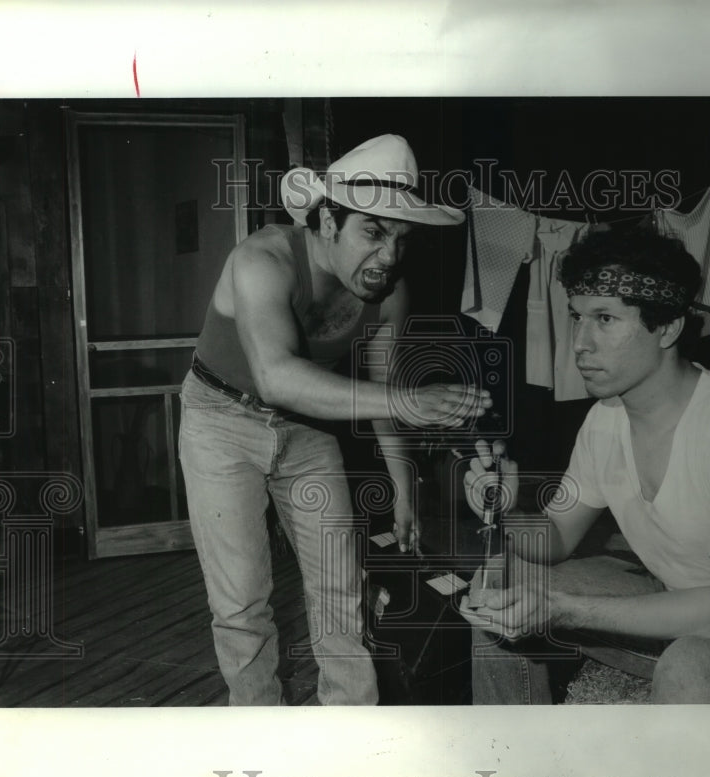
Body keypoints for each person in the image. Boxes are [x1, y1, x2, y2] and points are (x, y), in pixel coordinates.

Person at [460, 228, 710, 704]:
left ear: (667, 328)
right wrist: (503, 511)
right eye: (577, 316)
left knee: (692, 667)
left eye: (605, 319)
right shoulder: (604, 420)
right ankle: (511, 761)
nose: (580, 342)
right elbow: (555, 538)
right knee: (501, 586)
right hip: (680, 605)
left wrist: (561, 609)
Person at [179, 134, 491, 705]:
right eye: (373, 233)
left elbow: (381, 387)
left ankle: (352, 733)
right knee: (242, 602)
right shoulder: (261, 260)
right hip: (220, 419)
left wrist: (402, 483)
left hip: (306, 426)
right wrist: (410, 404)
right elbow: (275, 376)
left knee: (340, 590)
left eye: (401, 238)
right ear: (327, 222)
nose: (390, 256)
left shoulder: (386, 289)